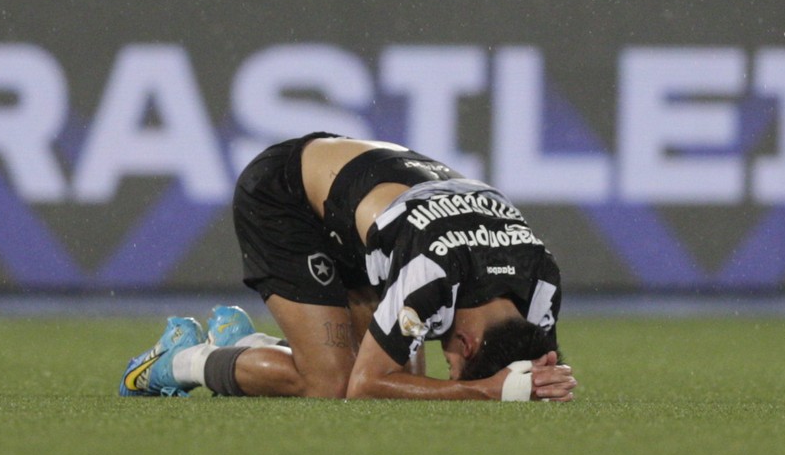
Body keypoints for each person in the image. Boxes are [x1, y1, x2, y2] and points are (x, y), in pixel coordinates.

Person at [119, 134, 577, 401]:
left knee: (399, 375)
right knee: (333, 381)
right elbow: (366, 384)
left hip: (370, 204)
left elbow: (544, 365)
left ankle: (247, 344)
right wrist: (485, 390)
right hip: (290, 196)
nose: (449, 364)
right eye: (455, 364)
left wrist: (540, 383)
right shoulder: (432, 271)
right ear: (469, 341)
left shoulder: (540, 277)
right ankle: (177, 361)